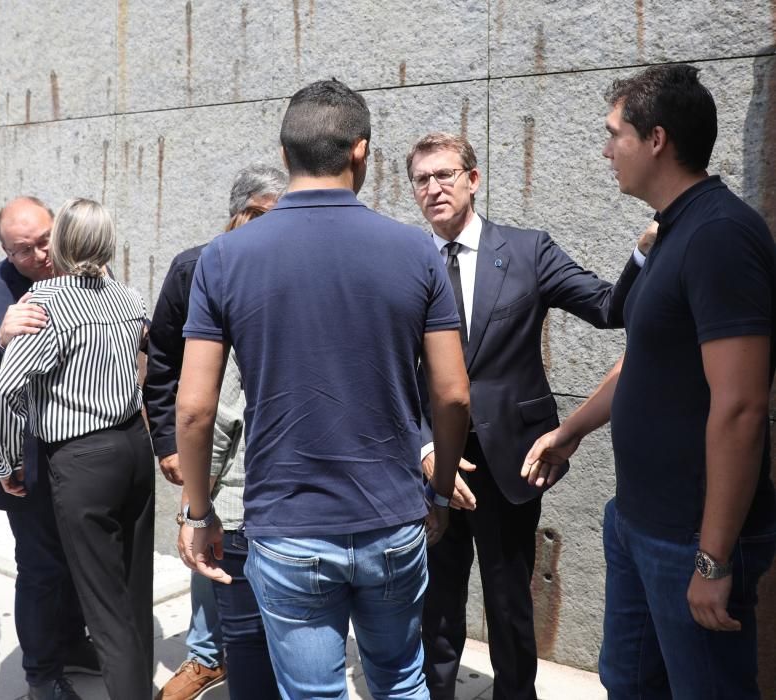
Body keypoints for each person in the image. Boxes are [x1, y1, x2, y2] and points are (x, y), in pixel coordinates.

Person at [177, 79, 472, 699]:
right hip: (392, 517)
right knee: (400, 682)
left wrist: (198, 511)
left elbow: (196, 407)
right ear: (361, 152)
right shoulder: (416, 250)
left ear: (285, 157)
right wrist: (440, 493)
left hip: (286, 526)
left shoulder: (225, 258)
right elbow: (451, 396)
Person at [524, 63, 776, 699]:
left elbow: (743, 406)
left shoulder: (720, 236)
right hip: (636, 523)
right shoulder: (670, 231)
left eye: (615, 134)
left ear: (656, 139)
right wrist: (570, 431)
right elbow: (644, 358)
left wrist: (713, 558)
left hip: (690, 540)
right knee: (629, 685)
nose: (607, 150)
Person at [407, 133, 647, 700]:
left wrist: (644, 253)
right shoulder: (406, 261)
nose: (435, 188)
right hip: (430, 463)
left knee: (509, 603)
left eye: (446, 174)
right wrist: (423, 450)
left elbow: (610, 308)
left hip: (509, 461)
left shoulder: (527, 249)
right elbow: (390, 368)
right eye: (422, 179)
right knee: (435, 606)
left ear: (473, 178)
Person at [0, 198, 155, 700]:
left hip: (84, 460)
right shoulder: (127, 297)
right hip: (133, 448)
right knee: (133, 591)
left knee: (103, 607)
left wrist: (7, 459)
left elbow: (5, 388)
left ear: (60, 243)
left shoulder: (45, 303)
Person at [0, 197, 101, 700]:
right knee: (41, 569)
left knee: (82, 561)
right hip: (25, 465)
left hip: (86, 452)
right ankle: (42, 676)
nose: (42, 254)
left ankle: (74, 642)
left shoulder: (84, 272)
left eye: (45, 240)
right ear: (5, 253)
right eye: (25, 249)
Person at [148, 164, 286, 700]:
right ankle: (208, 656)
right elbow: (160, 363)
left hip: (266, 442)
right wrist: (168, 442)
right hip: (205, 436)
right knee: (208, 542)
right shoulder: (194, 268)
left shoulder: (289, 263)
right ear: (241, 213)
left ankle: (255, 650)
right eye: (266, 215)